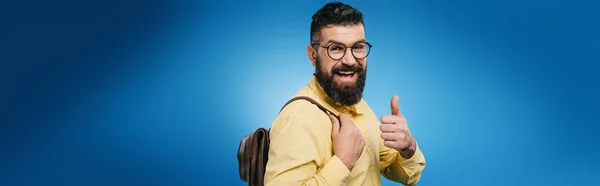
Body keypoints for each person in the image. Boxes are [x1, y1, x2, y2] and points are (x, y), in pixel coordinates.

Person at [264, 2, 426, 186]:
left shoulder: (357, 104)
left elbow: (404, 174)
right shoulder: (298, 119)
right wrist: (343, 163)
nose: (349, 60)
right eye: (336, 49)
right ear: (312, 55)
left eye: (358, 47)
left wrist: (408, 148)